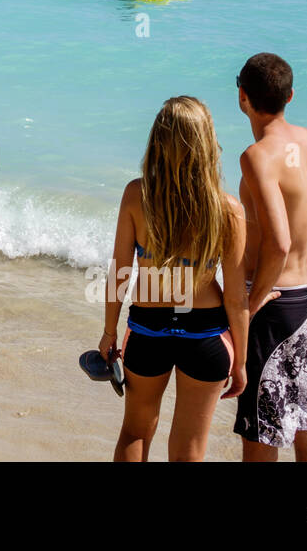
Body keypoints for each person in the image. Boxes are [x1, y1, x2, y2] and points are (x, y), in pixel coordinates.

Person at [99, 96, 249, 461]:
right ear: (207, 142)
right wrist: (242, 362)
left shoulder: (137, 195)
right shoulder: (227, 209)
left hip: (149, 328)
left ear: (157, 140)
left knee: (135, 432)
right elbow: (234, 297)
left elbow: (121, 271)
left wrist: (109, 332)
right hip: (205, 333)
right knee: (189, 447)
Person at [233, 52, 307, 462]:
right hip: (304, 299)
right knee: (306, 423)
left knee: (262, 433)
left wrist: (253, 300)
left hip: (272, 309)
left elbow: (278, 242)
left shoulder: (257, 156)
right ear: (290, 95)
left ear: (243, 97)